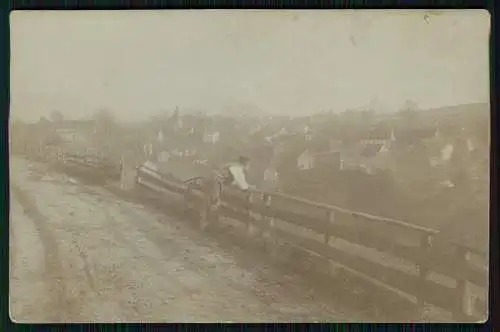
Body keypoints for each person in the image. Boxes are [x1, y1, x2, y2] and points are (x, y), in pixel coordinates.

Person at [199, 156, 254, 230]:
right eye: (249, 165)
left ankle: (205, 223)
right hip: (215, 182)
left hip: (211, 180)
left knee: (208, 201)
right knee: (213, 202)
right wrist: (249, 187)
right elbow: (242, 185)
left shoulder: (233, 165)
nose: (249, 168)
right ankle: (206, 225)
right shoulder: (237, 169)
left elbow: (235, 180)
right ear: (245, 164)